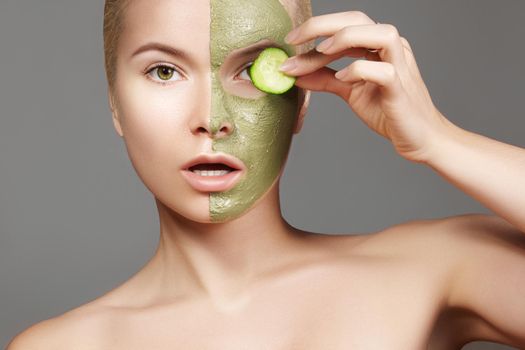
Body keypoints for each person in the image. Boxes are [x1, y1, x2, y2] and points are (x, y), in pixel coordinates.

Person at [6, 0, 525, 349]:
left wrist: (439, 140)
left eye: (252, 69)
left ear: (301, 101)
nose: (212, 119)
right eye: (164, 71)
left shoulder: (433, 270)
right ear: (116, 103)